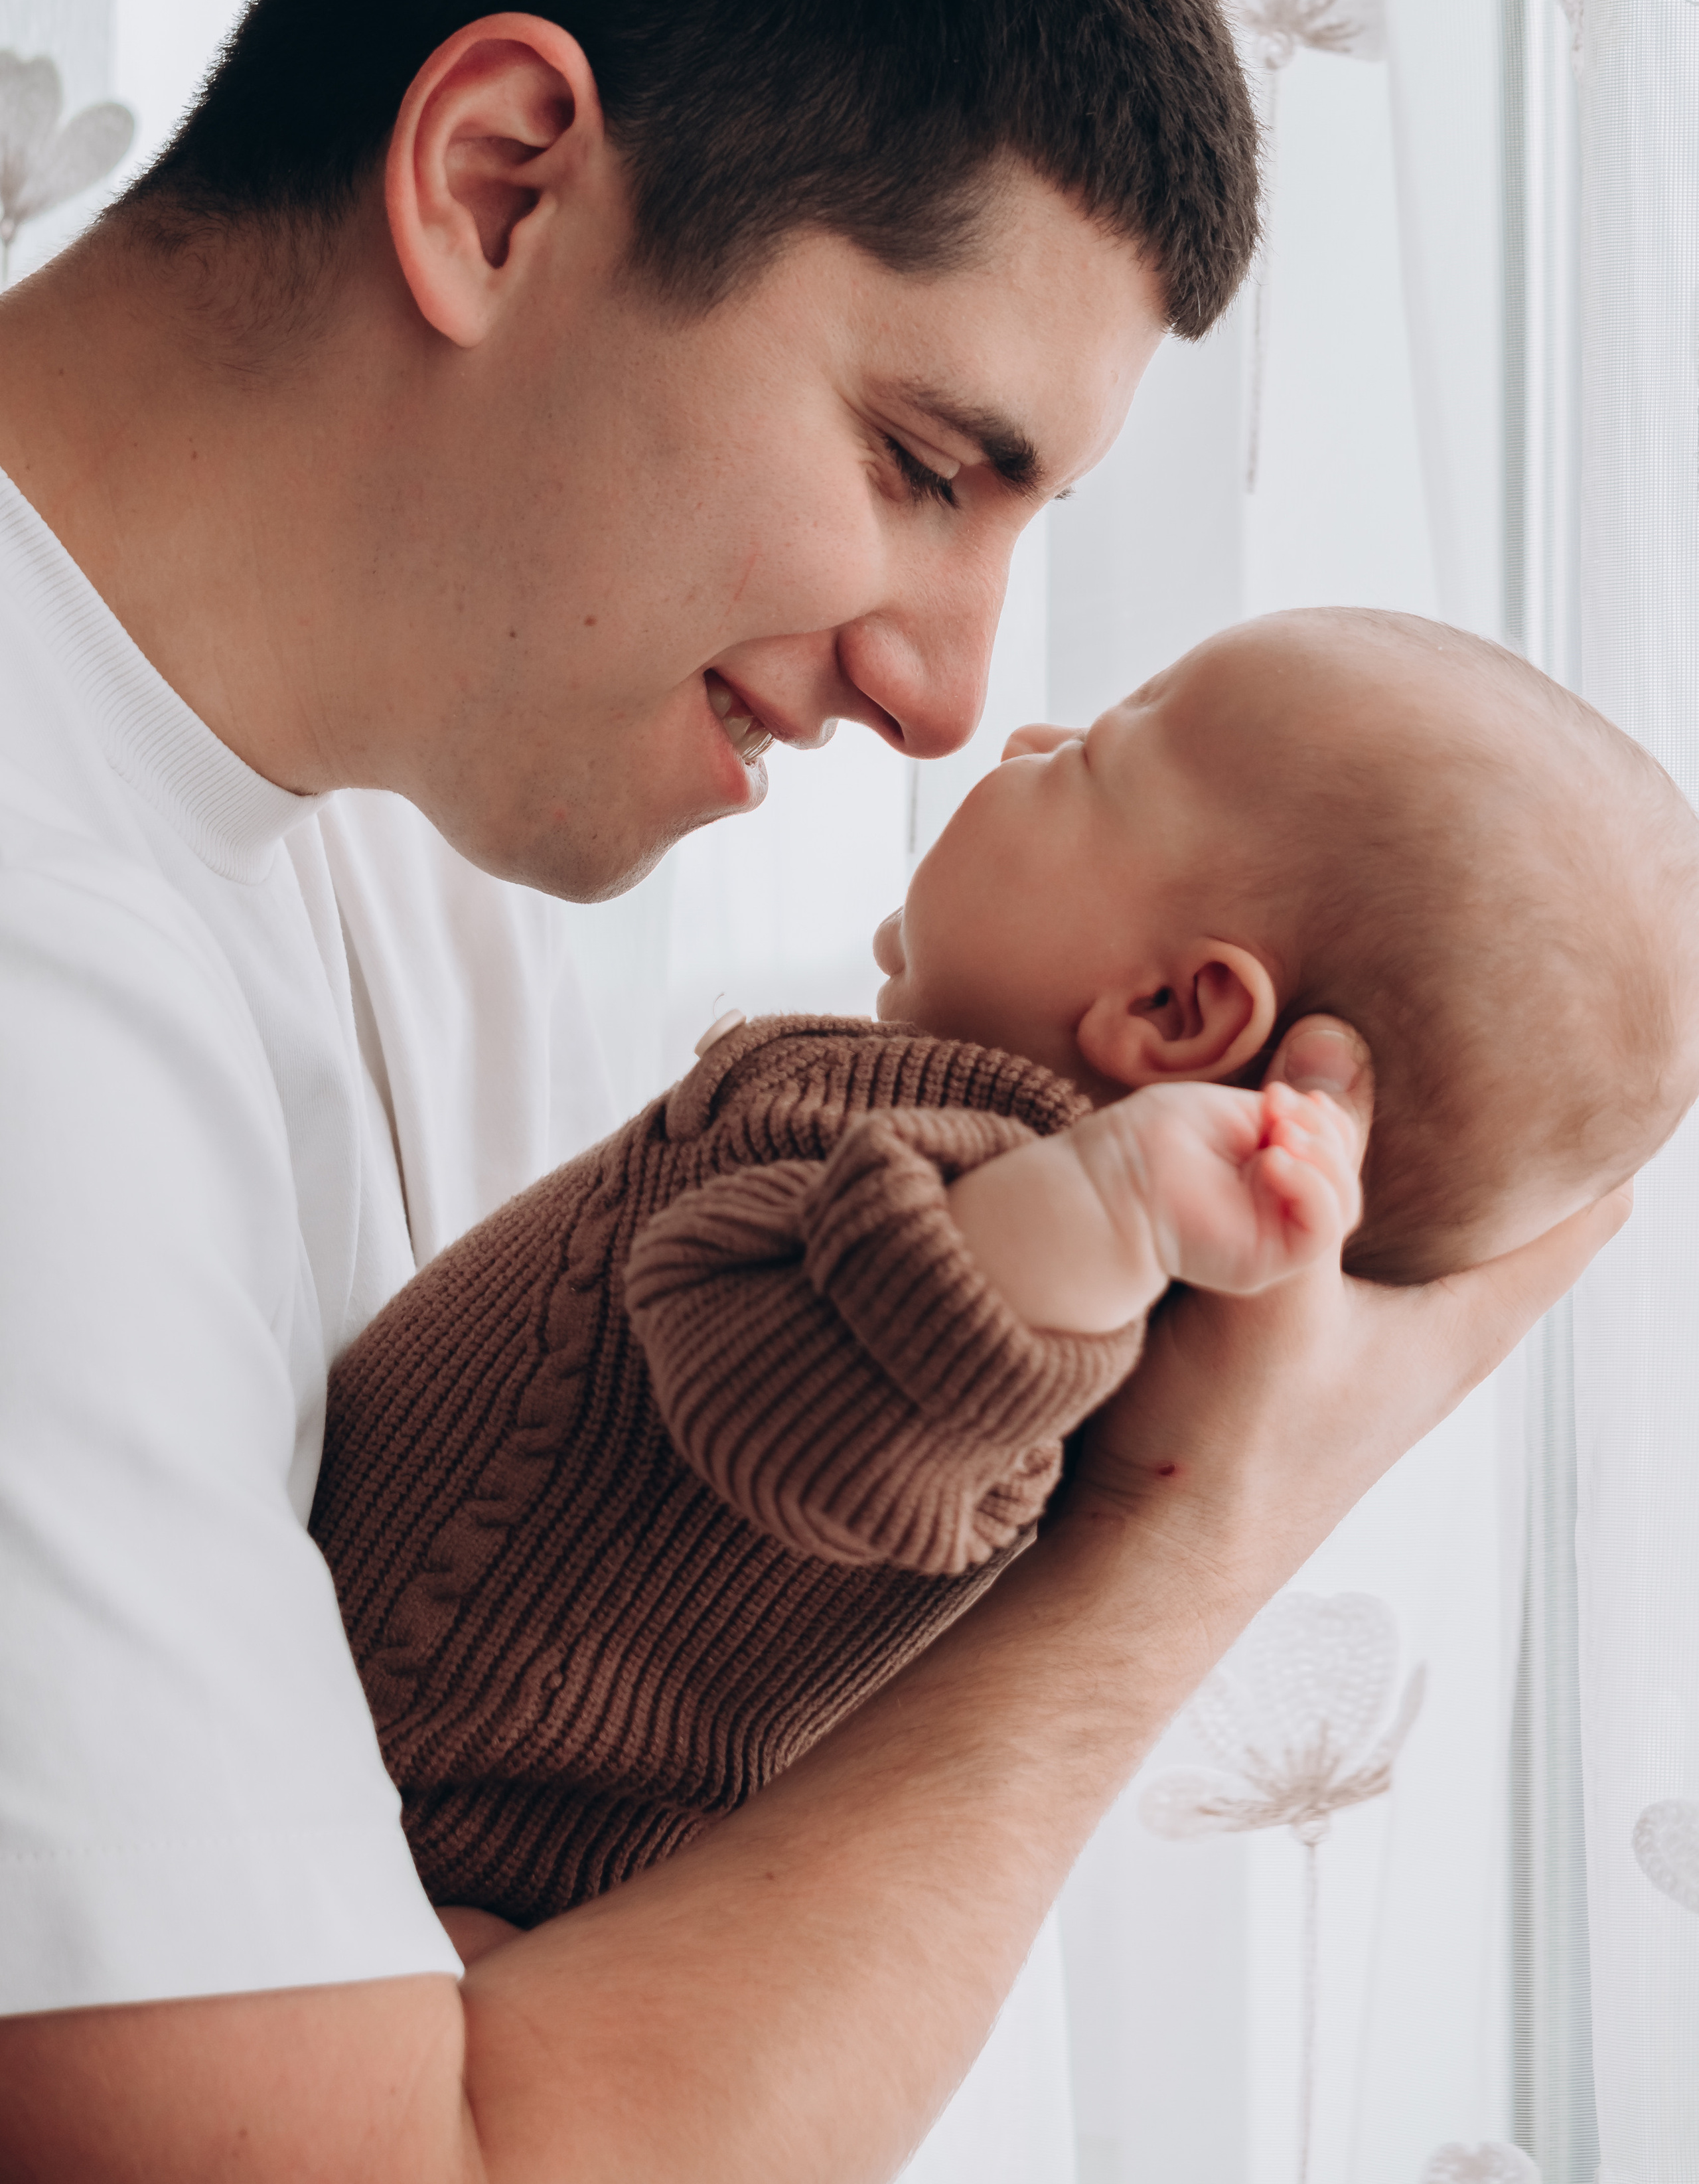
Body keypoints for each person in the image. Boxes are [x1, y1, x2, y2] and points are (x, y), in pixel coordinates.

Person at [0, 0, 1624, 2179]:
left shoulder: (374, 845)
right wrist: (1198, 1532)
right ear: (499, 183)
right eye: (919, 459)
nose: (954, 691)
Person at [311, 607, 1699, 1940]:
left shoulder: (1008, 1249)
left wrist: (1111, 1198)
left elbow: (804, 1404)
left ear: (1171, 1012)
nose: (1023, 735)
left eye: (1090, 756)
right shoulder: (964, 1172)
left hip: (417, 1794)